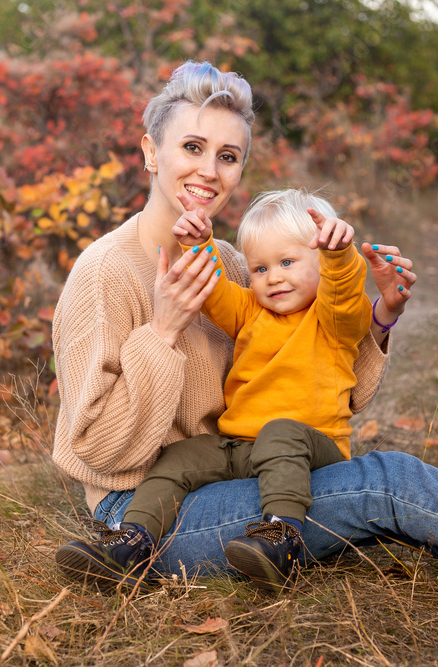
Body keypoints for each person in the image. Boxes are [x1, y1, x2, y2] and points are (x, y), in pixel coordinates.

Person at [50, 60, 438, 640]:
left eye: (228, 155)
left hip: (249, 470)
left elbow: (319, 381)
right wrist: (159, 334)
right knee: (387, 485)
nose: (210, 170)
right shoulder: (106, 272)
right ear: (150, 153)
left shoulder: (240, 266)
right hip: (149, 513)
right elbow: (94, 453)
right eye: (192, 148)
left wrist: (380, 317)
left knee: (389, 515)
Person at [57, 187, 376, 593]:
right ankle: (131, 543)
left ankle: (283, 538)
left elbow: (346, 296)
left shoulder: (332, 319)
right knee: (181, 455)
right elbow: (217, 293)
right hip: (243, 446)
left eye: (288, 262)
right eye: (259, 269)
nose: (273, 277)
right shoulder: (251, 311)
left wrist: (340, 256)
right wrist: (200, 244)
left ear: (321, 263)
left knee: (280, 432)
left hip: (313, 448)